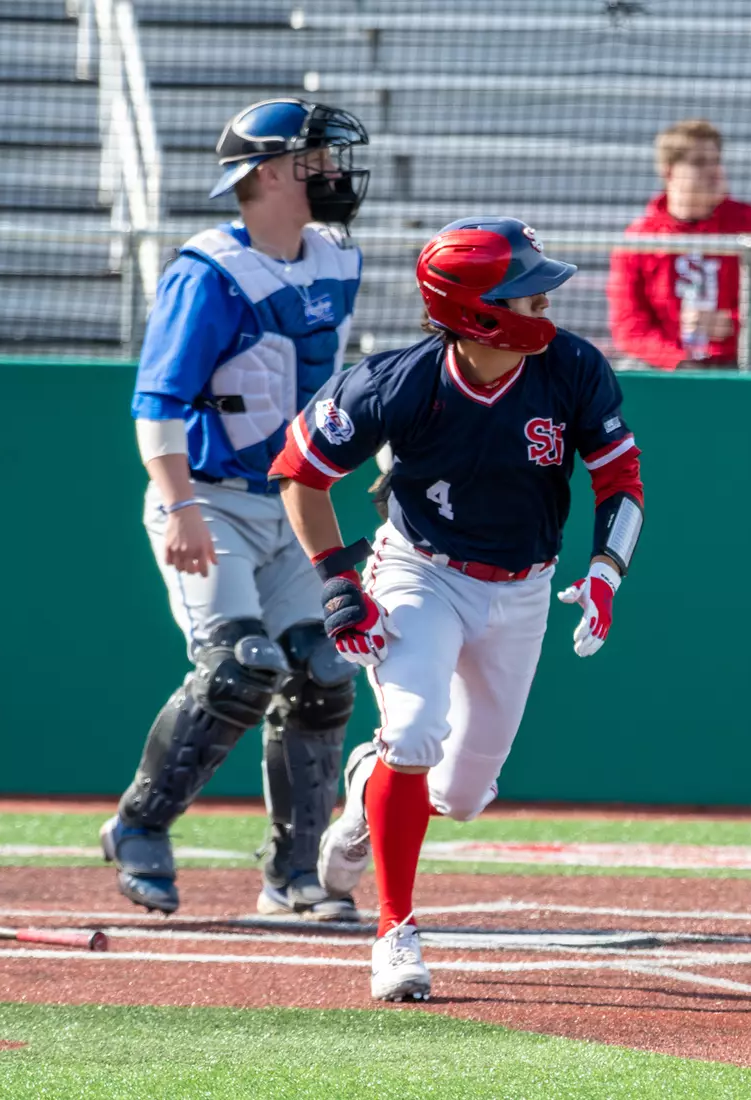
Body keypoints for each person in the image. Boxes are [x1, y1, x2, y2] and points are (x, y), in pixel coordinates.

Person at [270, 217, 646, 1002]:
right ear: (475, 310)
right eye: (526, 293)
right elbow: (301, 472)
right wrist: (340, 583)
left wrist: (607, 570)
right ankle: (395, 932)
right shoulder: (396, 381)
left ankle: (369, 785)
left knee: (463, 796)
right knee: (412, 731)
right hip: (422, 572)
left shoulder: (572, 367)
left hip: (524, 587)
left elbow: (621, 479)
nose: (545, 303)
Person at [102, 98, 369, 918]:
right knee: (238, 667)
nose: (328, 171)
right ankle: (140, 826)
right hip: (211, 497)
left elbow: (341, 389)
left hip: (291, 499)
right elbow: (158, 403)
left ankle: (294, 875)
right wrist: (178, 503)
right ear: (263, 174)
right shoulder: (209, 271)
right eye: (311, 158)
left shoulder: (334, 259)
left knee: (322, 670)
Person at [608, 120, 751, 370]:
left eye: (716, 161)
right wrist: (677, 361)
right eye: (700, 163)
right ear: (669, 172)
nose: (715, 171)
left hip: (747, 358)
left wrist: (735, 323)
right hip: (669, 364)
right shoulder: (640, 238)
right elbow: (629, 326)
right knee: (628, 376)